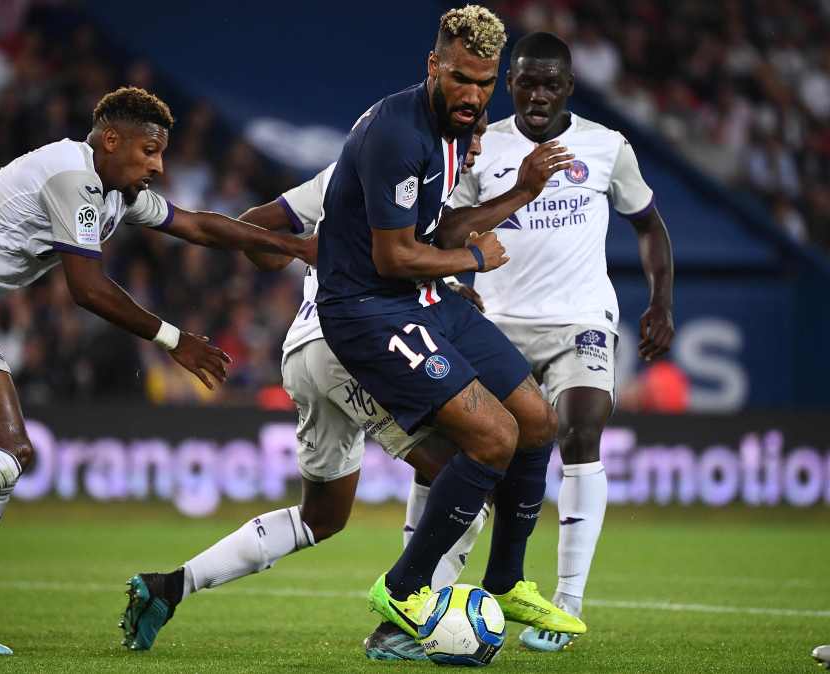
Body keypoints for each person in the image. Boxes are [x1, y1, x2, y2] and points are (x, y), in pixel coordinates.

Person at [118, 100, 580, 657]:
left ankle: (168, 587)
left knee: (323, 516)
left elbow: (263, 230)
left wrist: (312, 253)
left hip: (311, 348)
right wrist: (305, 250)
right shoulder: (398, 166)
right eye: (474, 133)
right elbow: (274, 235)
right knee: (472, 467)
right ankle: (406, 625)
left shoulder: (364, 171)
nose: (477, 144)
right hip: (349, 348)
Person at [0, 86, 314, 655]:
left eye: (162, 153)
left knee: (1, 459)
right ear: (111, 140)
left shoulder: (115, 193)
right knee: (8, 450)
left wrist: (294, 248)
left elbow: (200, 226)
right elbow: (86, 288)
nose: (158, 165)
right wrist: (175, 340)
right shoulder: (73, 175)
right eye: (149, 151)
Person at [312, 5, 583, 643]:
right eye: (460, 78)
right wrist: (474, 260)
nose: (472, 95)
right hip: (366, 311)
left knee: (538, 421)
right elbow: (394, 256)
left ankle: (507, 582)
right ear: (433, 66)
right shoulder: (398, 136)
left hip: (420, 297)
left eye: (485, 82)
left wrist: (519, 194)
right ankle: (402, 589)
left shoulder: (458, 131)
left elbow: (441, 231)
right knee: (492, 438)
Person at [429, 31, 676, 651]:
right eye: (527, 82)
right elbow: (448, 228)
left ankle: (564, 602)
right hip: (498, 324)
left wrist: (661, 302)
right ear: (510, 84)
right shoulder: (481, 148)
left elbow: (649, 225)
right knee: (467, 448)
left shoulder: (606, 146)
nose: (538, 94)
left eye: (551, 84)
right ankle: (427, 593)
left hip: (581, 320)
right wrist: (461, 271)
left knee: (581, 430)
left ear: (569, 87)